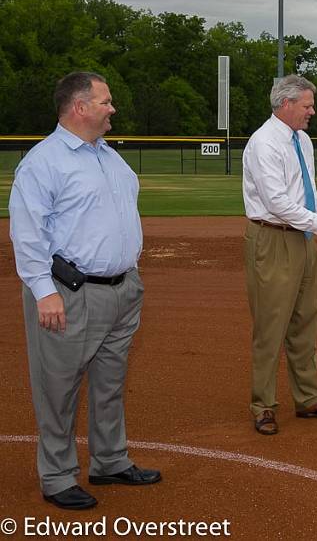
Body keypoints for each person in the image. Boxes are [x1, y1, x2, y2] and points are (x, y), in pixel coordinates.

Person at [9, 72, 161, 510]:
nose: (112, 108)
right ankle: (56, 477)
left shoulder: (109, 157)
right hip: (68, 291)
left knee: (110, 382)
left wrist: (130, 276)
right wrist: (44, 291)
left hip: (121, 290)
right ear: (80, 106)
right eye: (106, 101)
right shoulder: (44, 161)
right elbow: (28, 233)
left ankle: (110, 461)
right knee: (58, 387)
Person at [242, 74, 317, 435]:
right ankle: (263, 405)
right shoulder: (263, 143)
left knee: (306, 321)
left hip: (302, 237)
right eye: (307, 105)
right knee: (271, 324)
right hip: (273, 239)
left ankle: (308, 398)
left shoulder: (301, 140)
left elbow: (305, 192)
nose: (312, 111)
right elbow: (276, 202)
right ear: (285, 104)